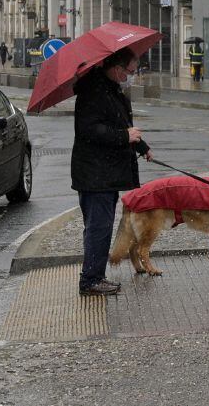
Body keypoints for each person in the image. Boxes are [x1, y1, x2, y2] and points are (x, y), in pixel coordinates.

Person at [72, 48, 153, 296]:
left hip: (104, 172)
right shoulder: (93, 92)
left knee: (100, 225)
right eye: (130, 70)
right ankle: (91, 280)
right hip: (95, 173)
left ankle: (94, 275)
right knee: (99, 227)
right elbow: (89, 130)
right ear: (117, 68)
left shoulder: (110, 88)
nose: (132, 75)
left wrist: (141, 146)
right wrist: (124, 136)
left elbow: (120, 124)